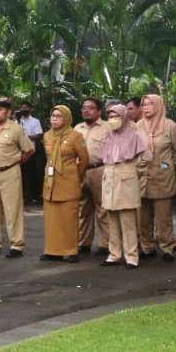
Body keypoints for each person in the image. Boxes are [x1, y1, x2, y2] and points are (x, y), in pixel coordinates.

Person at [0, 96, 34, 257]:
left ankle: (16, 245)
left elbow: (29, 149)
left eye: (1, 110)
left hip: (9, 172)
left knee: (13, 209)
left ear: (9, 112)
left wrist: (15, 161)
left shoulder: (15, 129)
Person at [99, 102, 147, 268]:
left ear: (124, 117)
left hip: (126, 177)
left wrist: (132, 170)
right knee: (111, 219)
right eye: (110, 117)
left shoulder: (133, 136)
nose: (113, 120)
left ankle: (132, 257)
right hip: (109, 176)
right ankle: (114, 254)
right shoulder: (107, 136)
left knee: (127, 221)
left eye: (116, 116)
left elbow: (141, 159)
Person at [136, 93, 176, 261]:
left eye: (149, 104)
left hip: (163, 177)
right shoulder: (137, 126)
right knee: (143, 216)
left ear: (159, 106)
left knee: (164, 217)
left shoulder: (170, 126)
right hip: (142, 176)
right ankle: (147, 246)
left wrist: (166, 166)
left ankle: (167, 247)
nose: (146, 107)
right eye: (144, 104)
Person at [40, 105, 89, 262]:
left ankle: (70, 250)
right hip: (51, 182)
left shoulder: (76, 136)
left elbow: (84, 159)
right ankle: (52, 250)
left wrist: (75, 175)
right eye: (53, 115)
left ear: (67, 118)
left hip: (68, 181)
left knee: (68, 217)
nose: (55, 119)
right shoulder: (47, 136)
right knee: (52, 218)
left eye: (59, 116)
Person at [74, 97, 110, 255]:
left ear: (99, 111)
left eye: (91, 108)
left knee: (102, 208)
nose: (86, 110)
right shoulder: (77, 128)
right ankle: (83, 243)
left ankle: (105, 244)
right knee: (83, 208)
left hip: (99, 169)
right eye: (84, 107)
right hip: (80, 171)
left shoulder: (107, 127)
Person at [17, 101, 45, 204]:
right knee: (22, 175)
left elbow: (39, 135)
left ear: (30, 109)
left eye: (26, 107)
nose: (23, 109)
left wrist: (25, 138)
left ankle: (36, 196)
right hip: (20, 151)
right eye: (22, 107)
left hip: (32, 152)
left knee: (33, 174)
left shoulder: (35, 121)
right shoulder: (17, 121)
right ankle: (25, 196)